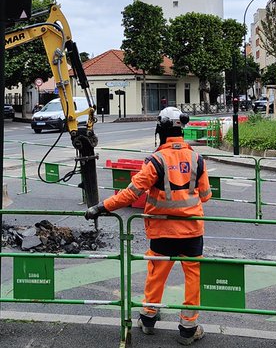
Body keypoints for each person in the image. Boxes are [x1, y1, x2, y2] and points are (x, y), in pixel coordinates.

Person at [85, 106, 210, 345]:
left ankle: (149, 318)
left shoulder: (156, 161)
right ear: (181, 130)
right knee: (193, 278)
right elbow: (205, 195)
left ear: (161, 130)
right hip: (192, 231)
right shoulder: (197, 158)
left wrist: (101, 207)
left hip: (162, 231)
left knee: (156, 275)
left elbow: (130, 194)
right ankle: (188, 328)